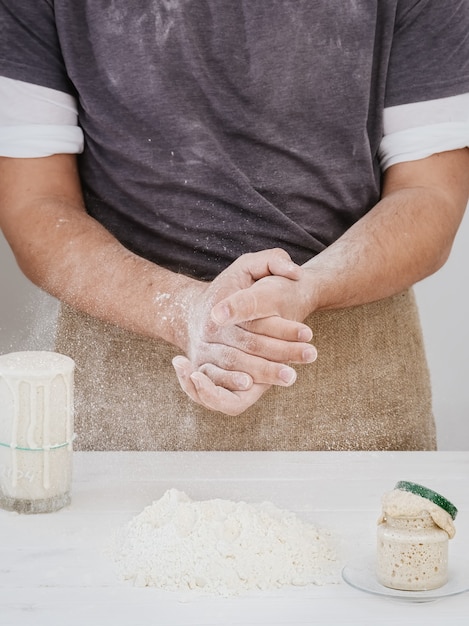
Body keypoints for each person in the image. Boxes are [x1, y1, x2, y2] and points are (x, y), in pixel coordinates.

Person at [0, 1, 468, 451]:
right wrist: (180, 311)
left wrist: (313, 286)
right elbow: (35, 204)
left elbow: (431, 192)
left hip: (353, 385)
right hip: (125, 389)